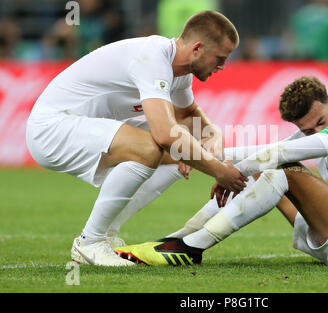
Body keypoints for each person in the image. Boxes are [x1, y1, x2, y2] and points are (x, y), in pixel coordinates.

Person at [26, 10, 248, 266]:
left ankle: (105, 234)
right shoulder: (152, 59)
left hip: (83, 125)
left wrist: (212, 135)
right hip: (52, 127)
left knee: (178, 158)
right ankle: (90, 242)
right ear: (197, 48)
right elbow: (165, 134)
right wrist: (219, 170)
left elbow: (188, 116)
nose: (222, 66)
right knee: (152, 148)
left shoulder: (180, 71)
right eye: (220, 58)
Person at [116, 76, 328, 266]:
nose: (315, 132)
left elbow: (279, 155)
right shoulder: (322, 130)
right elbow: (264, 152)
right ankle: (176, 239)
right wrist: (200, 158)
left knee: (279, 168)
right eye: (306, 130)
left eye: (320, 121)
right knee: (266, 169)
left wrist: (223, 172)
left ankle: (191, 248)